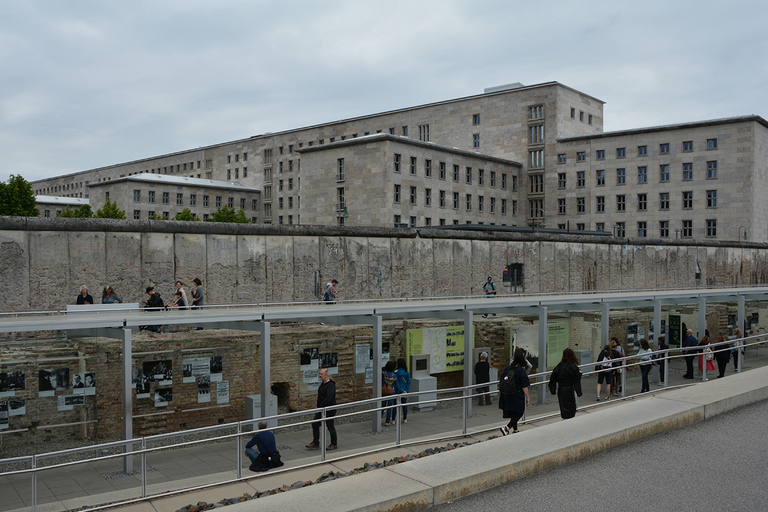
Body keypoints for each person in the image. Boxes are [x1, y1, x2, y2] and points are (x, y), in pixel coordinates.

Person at [498, 347, 530, 435]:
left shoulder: (508, 368)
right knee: (519, 412)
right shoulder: (521, 371)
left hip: (507, 394)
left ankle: (515, 429)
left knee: (513, 412)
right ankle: (507, 428)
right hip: (517, 394)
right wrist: (527, 397)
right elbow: (524, 386)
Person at [306, 367, 338, 450]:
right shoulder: (323, 384)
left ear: (326, 375)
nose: (320, 375)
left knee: (330, 426)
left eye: (321, 374)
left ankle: (334, 443)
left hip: (329, 409)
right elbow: (321, 396)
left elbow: (328, 398)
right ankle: (315, 442)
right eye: (320, 374)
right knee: (315, 424)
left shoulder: (330, 385)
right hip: (321, 408)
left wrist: (319, 407)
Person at [548, 348, 583, 419]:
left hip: (561, 389)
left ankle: (565, 419)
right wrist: (579, 392)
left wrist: (553, 389)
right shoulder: (573, 367)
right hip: (569, 388)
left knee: (563, 407)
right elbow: (576, 379)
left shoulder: (560, 366)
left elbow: (553, 377)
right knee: (571, 407)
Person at [393, 358, 411, 423]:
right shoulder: (406, 372)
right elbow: (409, 381)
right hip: (404, 391)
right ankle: (405, 418)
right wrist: (405, 390)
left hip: (397, 391)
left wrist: (400, 390)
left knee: (395, 405)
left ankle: (393, 419)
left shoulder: (396, 373)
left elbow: (395, 383)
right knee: (404, 405)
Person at [382, 361, 397, 426]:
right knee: (389, 407)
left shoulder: (383, 374)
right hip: (391, 392)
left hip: (384, 391)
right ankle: (387, 421)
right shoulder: (394, 375)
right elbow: (397, 385)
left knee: (382, 407)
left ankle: (379, 419)